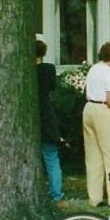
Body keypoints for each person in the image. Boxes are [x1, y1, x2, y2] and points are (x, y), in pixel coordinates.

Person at [83, 43, 110, 207]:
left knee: (93, 156)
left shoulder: (94, 69)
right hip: (104, 111)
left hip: (89, 108)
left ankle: (95, 198)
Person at [36, 40, 64, 202]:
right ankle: (56, 193)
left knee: (48, 156)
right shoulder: (49, 69)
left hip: (37, 114)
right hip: (47, 116)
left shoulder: (29, 72)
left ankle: (54, 193)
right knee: (51, 157)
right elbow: (52, 88)